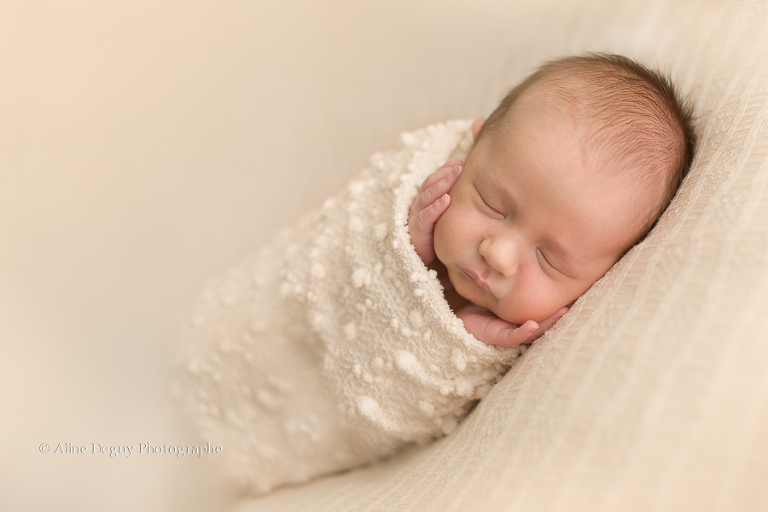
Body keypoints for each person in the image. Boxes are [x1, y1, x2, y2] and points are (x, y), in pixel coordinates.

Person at [409, 53, 696, 348]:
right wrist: (409, 251)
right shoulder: (426, 168)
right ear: (474, 144)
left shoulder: (530, 332)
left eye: (548, 260)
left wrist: (471, 339)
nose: (498, 255)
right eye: (491, 205)